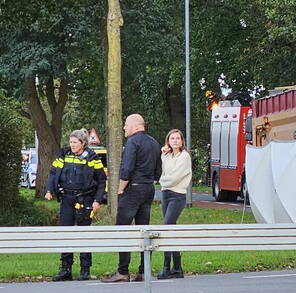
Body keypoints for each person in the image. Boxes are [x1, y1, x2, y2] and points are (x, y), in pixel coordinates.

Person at [104, 114, 162, 283]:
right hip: (148, 189)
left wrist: (121, 189)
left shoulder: (132, 142)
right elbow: (159, 171)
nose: (124, 128)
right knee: (144, 230)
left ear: (136, 126)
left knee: (123, 230)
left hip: (133, 189)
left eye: (126, 125)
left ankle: (122, 271)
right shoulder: (154, 143)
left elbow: (127, 168)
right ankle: (144, 271)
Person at [44, 129, 106, 281]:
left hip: (85, 199)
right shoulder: (63, 155)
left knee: (84, 234)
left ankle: (85, 269)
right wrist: (49, 190)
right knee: (65, 233)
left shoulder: (92, 157)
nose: (72, 145)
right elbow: (53, 173)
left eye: (75, 142)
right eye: (71, 142)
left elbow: (101, 180)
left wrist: (98, 200)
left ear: (83, 143)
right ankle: (66, 269)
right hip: (67, 199)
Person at [157, 129, 192, 279]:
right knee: (171, 230)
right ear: (168, 141)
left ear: (182, 141)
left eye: (178, 138)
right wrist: (162, 151)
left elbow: (174, 178)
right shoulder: (167, 156)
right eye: (172, 138)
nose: (175, 141)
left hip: (177, 195)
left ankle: (166, 267)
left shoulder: (184, 157)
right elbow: (160, 170)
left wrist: (161, 181)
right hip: (165, 194)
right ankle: (177, 267)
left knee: (165, 228)